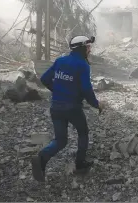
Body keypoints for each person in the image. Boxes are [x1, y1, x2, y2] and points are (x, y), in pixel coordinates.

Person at [31, 35, 105, 182]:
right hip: (73, 108)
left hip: (56, 107)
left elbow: (45, 79)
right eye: (88, 47)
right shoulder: (82, 65)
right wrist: (97, 104)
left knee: (60, 140)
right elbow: (86, 89)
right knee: (83, 132)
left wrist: (58, 91)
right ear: (82, 48)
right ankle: (80, 163)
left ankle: (42, 157)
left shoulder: (60, 61)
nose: (90, 50)